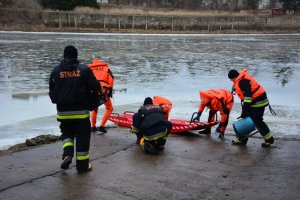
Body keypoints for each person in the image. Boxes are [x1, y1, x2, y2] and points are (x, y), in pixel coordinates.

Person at [49, 45, 102, 172]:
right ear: (76, 55)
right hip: (81, 113)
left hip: (63, 113)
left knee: (67, 134)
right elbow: (96, 87)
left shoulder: (55, 71)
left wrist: (60, 100)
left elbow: (52, 93)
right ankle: (82, 166)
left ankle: (67, 154)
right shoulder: (84, 69)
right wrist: (94, 98)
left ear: (64, 55)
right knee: (82, 139)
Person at [228, 68, 274, 147]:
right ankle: (242, 139)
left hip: (258, 103)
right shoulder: (240, 79)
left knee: (257, 121)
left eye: (231, 80)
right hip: (254, 102)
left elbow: (248, 96)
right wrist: (245, 109)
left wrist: (245, 108)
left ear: (234, 77)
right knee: (246, 120)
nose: (231, 81)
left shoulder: (243, 82)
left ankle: (269, 140)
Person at [88, 58, 115, 134]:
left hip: (93, 92)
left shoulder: (89, 70)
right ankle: (102, 127)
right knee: (109, 108)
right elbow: (111, 79)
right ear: (100, 62)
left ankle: (93, 127)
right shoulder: (106, 68)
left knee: (94, 109)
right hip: (103, 91)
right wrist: (110, 89)